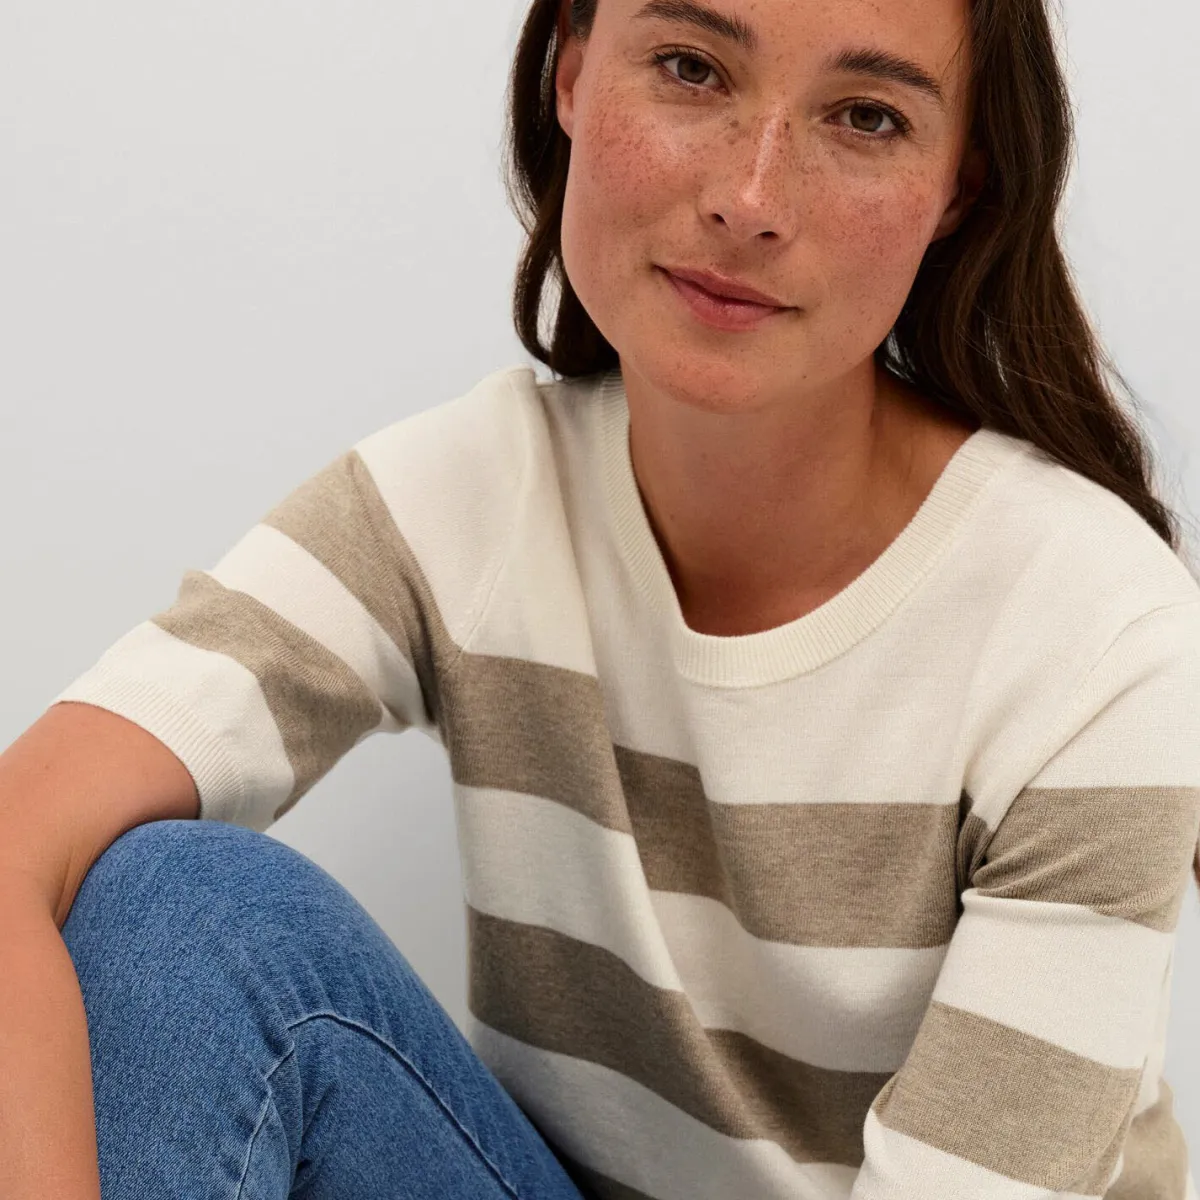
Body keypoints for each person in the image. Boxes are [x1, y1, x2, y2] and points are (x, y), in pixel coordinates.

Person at [1, 0, 1198, 1196]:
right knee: (182, 912)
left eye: (867, 118)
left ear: (958, 191)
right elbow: (18, 843)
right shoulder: (464, 503)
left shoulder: (1096, 646)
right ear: (570, 74)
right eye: (690, 67)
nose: (751, 197)